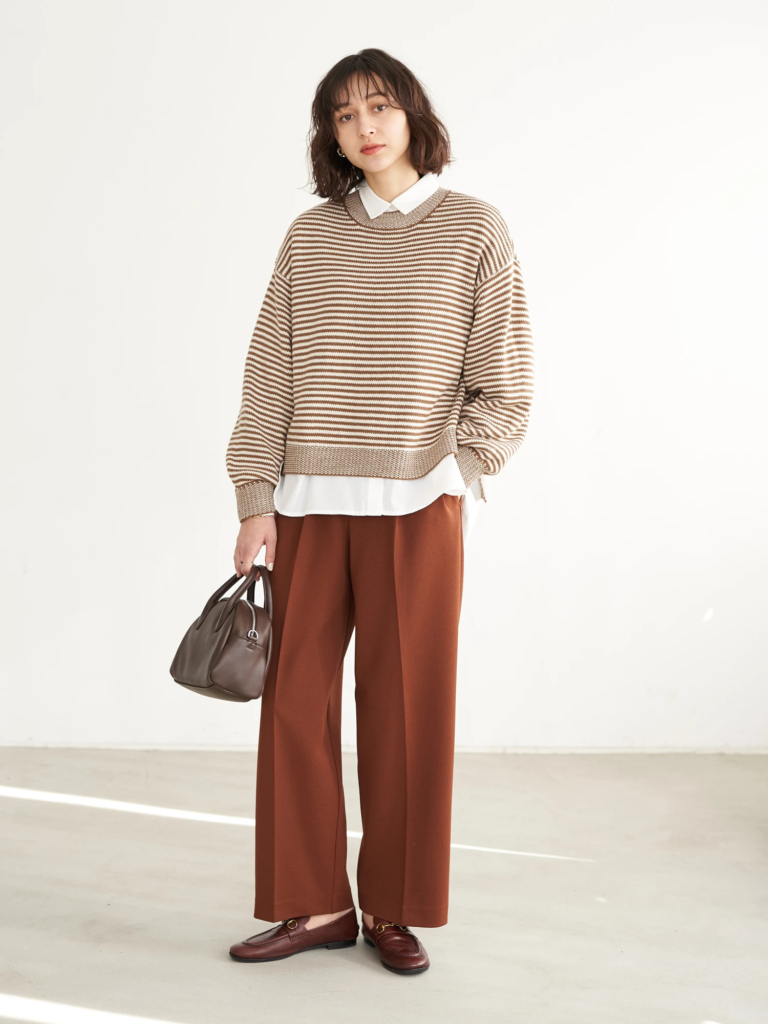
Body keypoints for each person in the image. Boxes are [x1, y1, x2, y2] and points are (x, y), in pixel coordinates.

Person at [225, 47, 534, 974]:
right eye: (345, 113)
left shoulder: (474, 230)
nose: (365, 126)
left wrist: (459, 469)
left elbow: (505, 378)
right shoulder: (310, 238)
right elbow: (269, 372)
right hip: (308, 506)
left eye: (380, 106)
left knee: (407, 712)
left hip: (419, 507)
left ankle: (395, 908)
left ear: (413, 115)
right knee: (293, 706)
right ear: (330, 135)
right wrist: (255, 497)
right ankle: (316, 905)